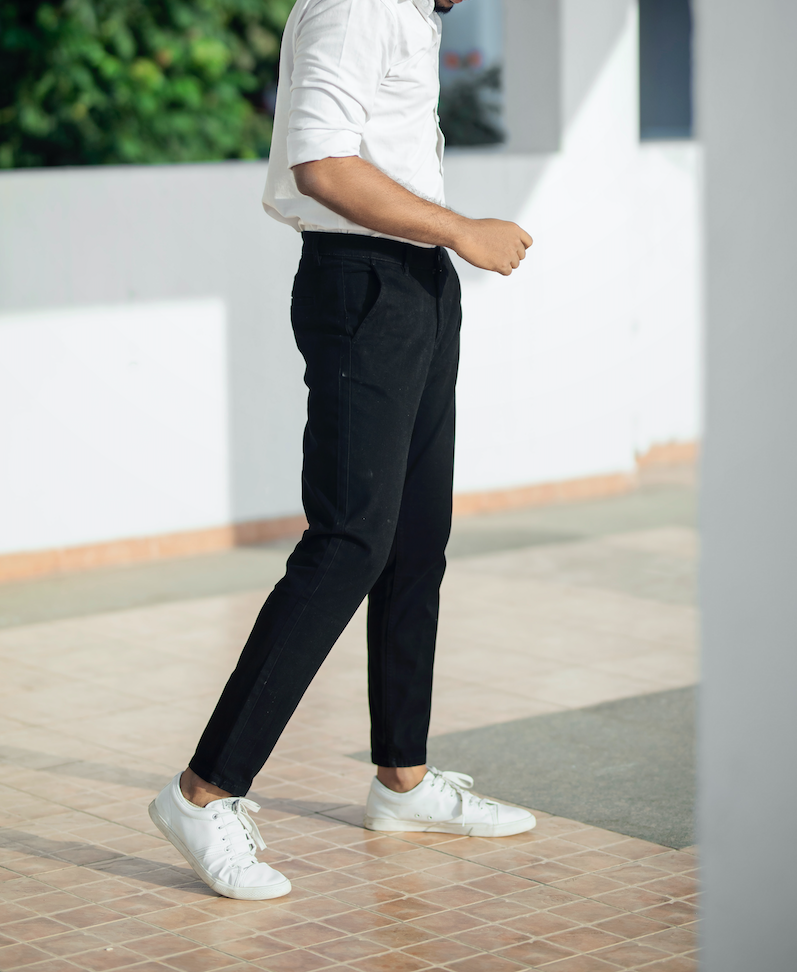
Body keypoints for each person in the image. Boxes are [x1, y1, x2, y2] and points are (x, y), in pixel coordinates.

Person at [149, 0, 535, 901]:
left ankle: (401, 779)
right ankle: (203, 793)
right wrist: (461, 229)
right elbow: (319, 165)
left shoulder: (411, 13)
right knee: (348, 544)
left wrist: (441, 254)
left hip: (417, 285)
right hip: (365, 284)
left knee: (413, 542)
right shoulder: (357, 3)